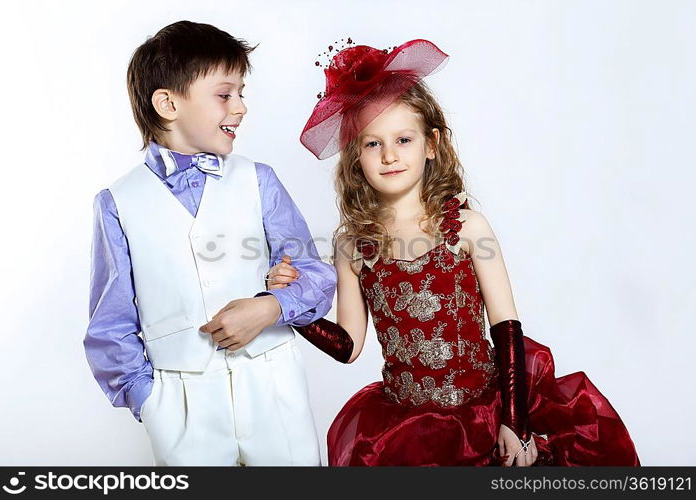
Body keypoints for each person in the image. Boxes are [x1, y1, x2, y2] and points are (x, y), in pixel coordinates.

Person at [268, 39, 640, 466]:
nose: (389, 155)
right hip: (403, 427)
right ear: (356, 158)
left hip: (486, 414)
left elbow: (507, 329)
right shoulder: (353, 245)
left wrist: (515, 423)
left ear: (432, 143)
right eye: (372, 144)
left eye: (403, 139)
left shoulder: (466, 228)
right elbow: (349, 345)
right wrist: (292, 307)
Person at [83, 20, 336, 466]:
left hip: (273, 388)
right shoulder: (117, 203)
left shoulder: (259, 181)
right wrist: (152, 401)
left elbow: (314, 274)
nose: (240, 108)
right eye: (225, 94)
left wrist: (271, 306)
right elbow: (111, 324)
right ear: (167, 103)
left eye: (242, 93)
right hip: (182, 406)